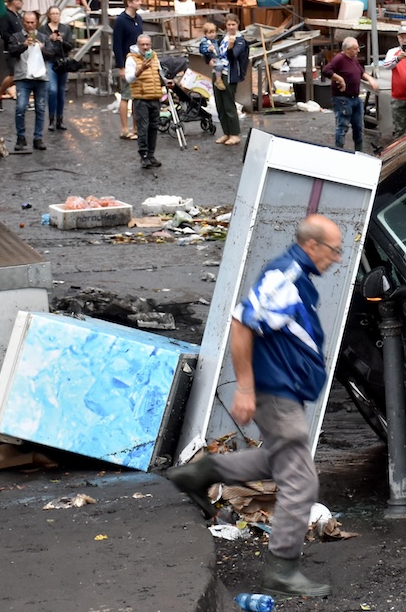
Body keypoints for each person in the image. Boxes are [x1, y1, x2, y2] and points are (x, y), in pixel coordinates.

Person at [166, 213, 343, 599]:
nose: (338, 257)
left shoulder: (297, 276)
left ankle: (198, 475)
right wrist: (245, 387)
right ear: (311, 246)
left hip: (283, 391)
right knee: (301, 480)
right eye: (334, 249)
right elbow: (241, 322)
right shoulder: (286, 277)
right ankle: (282, 568)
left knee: (276, 461)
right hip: (274, 392)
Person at [321, 36, 377, 152]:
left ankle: (359, 152)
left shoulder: (353, 59)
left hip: (355, 99)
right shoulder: (339, 59)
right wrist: (339, 79)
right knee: (342, 126)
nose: (358, 51)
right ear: (348, 50)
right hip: (343, 99)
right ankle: (339, 152)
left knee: (359, 127)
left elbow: (361, 72)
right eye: (355, 49)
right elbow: (326, 71)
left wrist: (371, 80)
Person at [7, 9, 49, 152]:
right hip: (23, 77)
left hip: (41, 77)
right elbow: (11, 51)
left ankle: (38, 138)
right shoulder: (17, 36)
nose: (30, 25)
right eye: (27, 22)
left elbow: (52, 54)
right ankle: (21, 137)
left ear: (36, 23)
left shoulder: (43, 37)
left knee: (41, 108)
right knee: (20, 107)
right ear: (23, 22)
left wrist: (43, 49)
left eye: (32, 22)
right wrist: (23, 45)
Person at [124, 33, 167, 168]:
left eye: (147, 44)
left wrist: (166, 82)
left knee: (154, 127)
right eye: (142, 44)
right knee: (143, 127)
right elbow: (129, 78)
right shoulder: (131, 59)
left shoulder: (154, 56)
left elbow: (159, 74)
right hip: (141, 98)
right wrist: (141, 69)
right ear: (138, 45)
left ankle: (151, 155)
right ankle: (143, 156)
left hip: (155, 96)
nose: (145, 47)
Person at [112, 0, 145, 139]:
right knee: (126, 95)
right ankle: (125, 129)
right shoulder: (121, 20)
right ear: (130, 3)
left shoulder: (138, 19)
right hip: (127, 61)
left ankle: (136, 128)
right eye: (137, 0)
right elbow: (117, 44)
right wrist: (121, 67)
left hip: (138, 60)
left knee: (137, 95)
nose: (140, 3)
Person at [40, 5, 75, 132]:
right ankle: (51, 119)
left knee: (61, 91)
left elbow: (70, 45)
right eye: (53, 13)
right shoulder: (43, 29)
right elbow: (40, 45)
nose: (55, 16)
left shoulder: (65, 28)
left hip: (62, 62)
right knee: (52, 90)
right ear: (49, 15)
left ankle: (60, 119)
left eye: (57, 13)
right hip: (50, 61)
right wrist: (49, 39)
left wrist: (62, 41)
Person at [216, 14, 248, 146]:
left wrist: (230, 47)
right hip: (218, 73)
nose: (230, 27)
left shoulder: (240, 40)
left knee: (229, 105)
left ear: (237, 24)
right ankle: (226, 132)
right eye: (228, 25)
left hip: (230, 74)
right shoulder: (223, 38)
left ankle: (235, 134)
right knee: (220, 105)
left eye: (233, 24)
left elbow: (233, 55)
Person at [0, 0, 25, 112]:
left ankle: (22, 98)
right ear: (14, 1)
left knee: (21, 74)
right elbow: (4, 33)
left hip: (21, 49)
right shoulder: (5, 15)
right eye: (21, 0)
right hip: (11, 49)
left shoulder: (18, 16)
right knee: (13, 75)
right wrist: (15, 41)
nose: (22, 2)